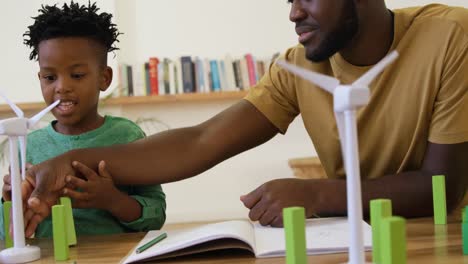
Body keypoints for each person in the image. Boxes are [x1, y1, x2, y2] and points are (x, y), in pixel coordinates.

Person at [23, 0, 468, 234]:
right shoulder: (298, 67)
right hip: (360, 243)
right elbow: (199, 142)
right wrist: (63, 164)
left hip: (445, 241)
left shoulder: (450, 37)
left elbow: (442, 189)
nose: (293, 12)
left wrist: (316, 195)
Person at [1, 1, 166, 239]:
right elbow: (8, 232)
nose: (62, 87)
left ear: (104, 78)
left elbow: (157, 214)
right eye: (49, 77)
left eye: (77, 75)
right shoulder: (30, 146)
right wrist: (12, 199)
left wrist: (112, 200)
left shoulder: (128, 137)